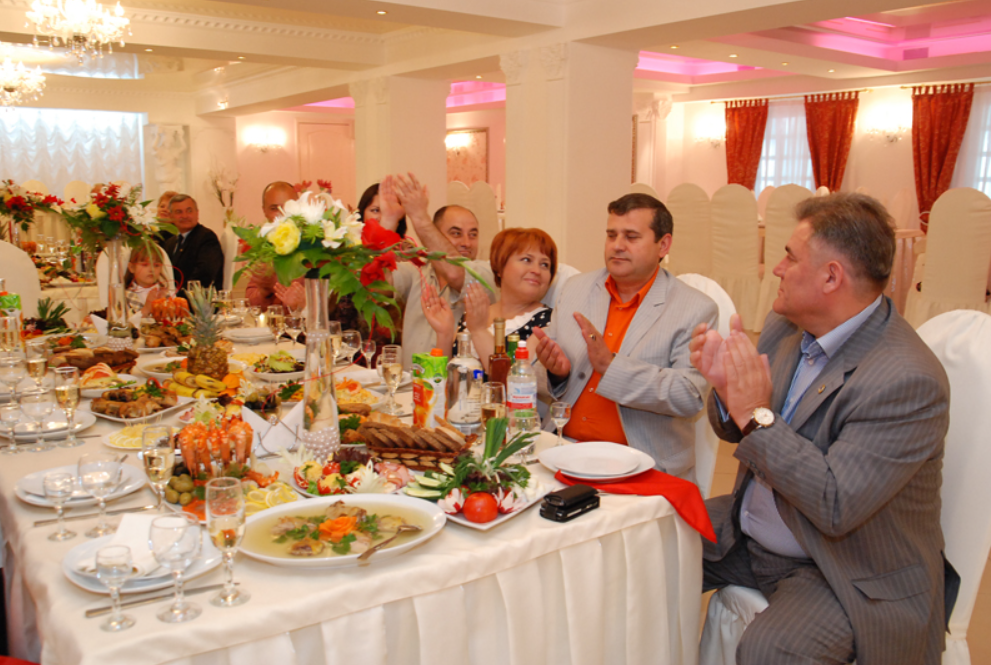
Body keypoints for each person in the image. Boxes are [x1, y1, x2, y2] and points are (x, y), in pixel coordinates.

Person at [691, 193, 954, 664]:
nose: (776, 269)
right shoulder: (785, 324)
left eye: (790, 257)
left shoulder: (905, 378)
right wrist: (729, 393)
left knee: (771, 651)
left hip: (843, 566)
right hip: (750, 529)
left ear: (831, 277)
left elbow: (835, 504)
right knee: (639, 544)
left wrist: (755, 412)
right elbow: (740, 429)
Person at [530, 192, 716, 479]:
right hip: (563, 451)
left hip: (642, 463)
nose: (617, 245)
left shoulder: (693, 308)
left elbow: (689, 396)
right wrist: (556, 374)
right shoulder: (576, 289)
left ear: (663, 245)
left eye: (631, 237)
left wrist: (611, 366)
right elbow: (536, 377)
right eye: (611, 235)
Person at [389, 173, 497, 369]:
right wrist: (388, 223)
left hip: (456, 385)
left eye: (473, 235)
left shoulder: (486, 272)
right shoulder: (417, 270)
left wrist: (420, 217)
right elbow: (377, 285)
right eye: (456, 233)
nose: (466, 243)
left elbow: (455, 273)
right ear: (435, 236)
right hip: (408, 385)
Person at [422, 227, 555, 366]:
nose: (537, 270)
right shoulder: (476, 313)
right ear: (500, 267)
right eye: (527, 259)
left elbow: (514, 375)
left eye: (545, 264)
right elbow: (447, 376)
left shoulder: (548, 322)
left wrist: (479, 331)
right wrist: (444, 333)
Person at [245, 181, 305, 312]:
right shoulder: (264, 247)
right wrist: (264, 291)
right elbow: (251, 304)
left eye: (288, 208)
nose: (281, 215)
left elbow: (328, 306)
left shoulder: (314, 245)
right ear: (264, 211)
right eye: (274, 208)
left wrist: (300, 303)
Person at [162, 194, 224, 296]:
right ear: (171, 216)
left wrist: (175, 298)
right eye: (179, 212)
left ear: (197, 213)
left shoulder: (206, 238)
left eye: (189, 211)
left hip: (197, 301)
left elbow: (204, 277)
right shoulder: (170, 243)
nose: (185, 216)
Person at [123, 243, 170, 323]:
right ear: (132, 267)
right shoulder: (125, 296)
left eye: (156, 265)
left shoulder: (166, 293)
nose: (151, 269)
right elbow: (123, 324)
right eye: (145, 265)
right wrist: (146, 309)